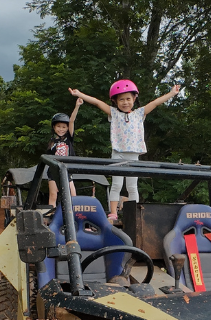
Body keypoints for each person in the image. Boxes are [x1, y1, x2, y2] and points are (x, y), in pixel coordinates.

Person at [68, 79, 181, 222]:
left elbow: (156, 102)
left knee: (132, 186)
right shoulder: (113, 113)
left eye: (128, 99)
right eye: (121, 99)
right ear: (115, 101)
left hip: (133, 155)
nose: (125, 102)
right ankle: (113, 213)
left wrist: (171, 93)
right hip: (118, 153)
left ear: (134, 98)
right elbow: (97, 102)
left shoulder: (139, 113)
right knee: (116, 184)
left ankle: (133, 212)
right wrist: (80, 94)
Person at [47, 97, 82, 205]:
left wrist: (77, 106)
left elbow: (71, 121)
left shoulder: (69, 138)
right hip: (54, 170)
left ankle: (73, 214)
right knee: (53, 194)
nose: (61, 129)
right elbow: (48, 157)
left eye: (63, 127)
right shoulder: (51, 142)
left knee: (72, 194)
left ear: (67, 128)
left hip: (67, 169)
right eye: (58, 126)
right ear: (54, 127)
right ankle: (51, 216)